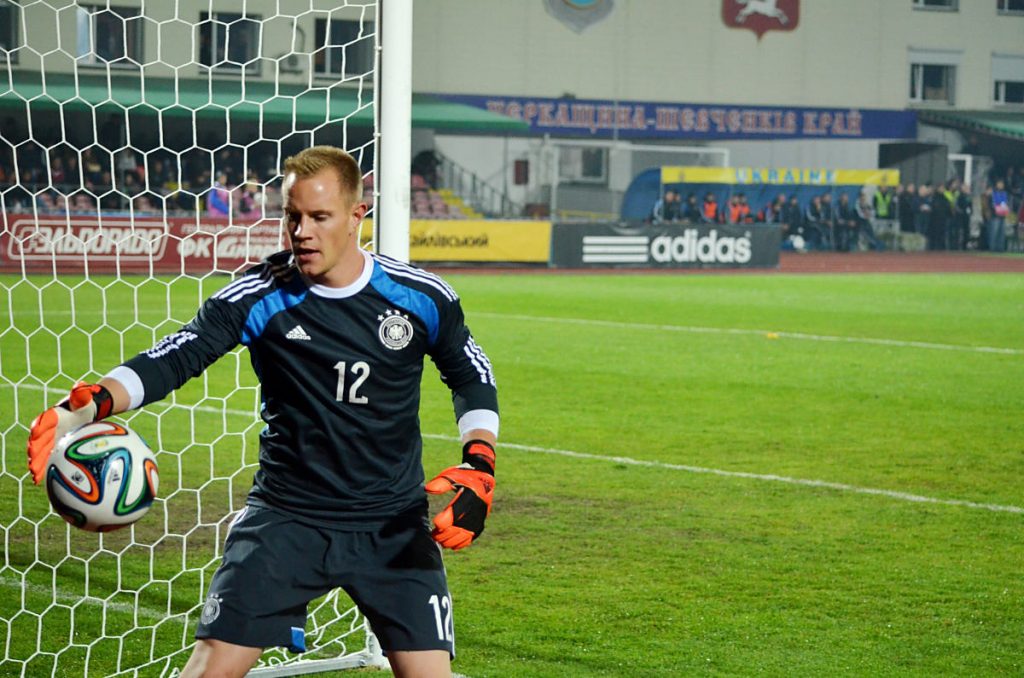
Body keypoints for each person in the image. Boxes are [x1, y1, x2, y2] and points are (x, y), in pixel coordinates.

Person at [26, 146, 500, 678]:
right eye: (292, 216)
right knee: (208, 672)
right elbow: (179, 355)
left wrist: (480, 464)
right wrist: (85, 406)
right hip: (285, 520)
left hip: (391, 523)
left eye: (319, 217)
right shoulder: (260, 294)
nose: (301, 232)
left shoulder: (421, 297)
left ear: (356, 216)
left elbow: (472, 376)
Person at [989, 179, 1010, 252]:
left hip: (1003, 215)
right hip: (995, 215)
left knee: (1001, 232)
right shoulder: (993, 193)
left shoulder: (1004, 193)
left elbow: (1006, 202)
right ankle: (992, 248)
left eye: (1002, 184)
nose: (1001, 185)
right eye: (999, 184)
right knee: (994, 232)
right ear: (996, 184)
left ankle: (1000, 248)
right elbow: (993, 204)